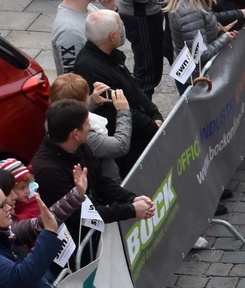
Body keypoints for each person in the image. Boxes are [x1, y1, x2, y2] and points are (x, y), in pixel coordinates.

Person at [30, 100, 157, 235]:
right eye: (86, 124)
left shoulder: (81, 147)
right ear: (76, 134)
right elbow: (80, 215)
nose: (90, 126)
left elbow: (100, 181)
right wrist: (131, 210)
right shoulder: (47, 172)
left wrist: (131, 199)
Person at [73, 9, 164, 172]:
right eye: (120, 27)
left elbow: (133, 88)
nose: (123, 30)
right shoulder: (92, 68)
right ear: (112, 36)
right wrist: (152, 125)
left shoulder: (109, 55)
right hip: (132, 146)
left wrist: (154, 113)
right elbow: (117, 111)